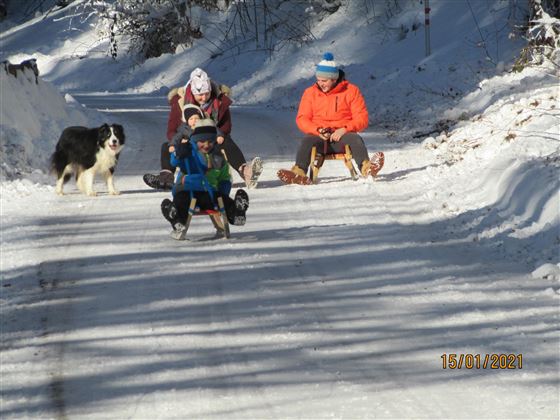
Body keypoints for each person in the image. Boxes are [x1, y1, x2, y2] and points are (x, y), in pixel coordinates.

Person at [144, 68, 263, 190]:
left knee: (227, 140)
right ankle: (166, 179)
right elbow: (172, 130)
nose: (204, 97)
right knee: (166, 147)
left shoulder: (220, 101)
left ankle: (246, 172)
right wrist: (179, 141)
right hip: (189, 142)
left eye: (207, 93)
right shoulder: (179, 102)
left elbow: (226, 126)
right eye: (200, 94)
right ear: (193, 92)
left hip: (212, 140)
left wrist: (218, 136)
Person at [277, 52, 384, 185]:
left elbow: (362, 117)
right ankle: (299, 173)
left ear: (334, 79)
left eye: (324, 81)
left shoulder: (351, 91)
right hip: (319, 137)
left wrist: (345, 129)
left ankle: (367, 168)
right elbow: (302, 119)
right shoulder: (310, 93)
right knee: (307, 142)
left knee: (355, 139)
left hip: (343, 137)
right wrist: (318, 130)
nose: (320, 83)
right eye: (318, 80)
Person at [160, 118, 250, 240]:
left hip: (209, 195)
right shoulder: (189, 153)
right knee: (181, 201)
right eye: (202, 141)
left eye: (210, 141)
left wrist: (223, 192)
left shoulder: (218, 157)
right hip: (188, 191)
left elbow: (224, 178)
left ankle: (237, 214)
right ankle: (177, 219)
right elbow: (175, 161)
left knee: (224, 200)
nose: (206, 145)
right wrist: (178, 152)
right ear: (195, 141)